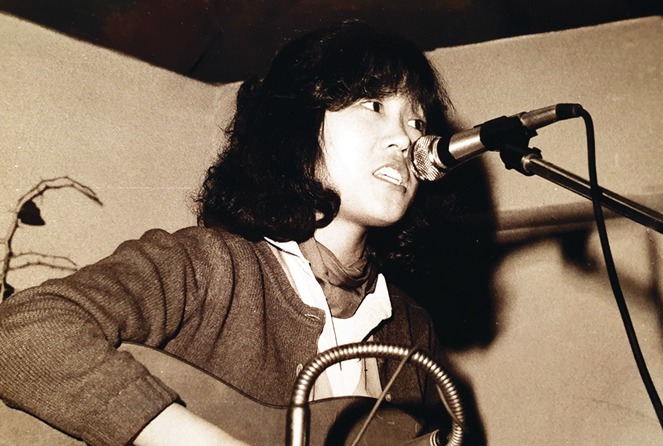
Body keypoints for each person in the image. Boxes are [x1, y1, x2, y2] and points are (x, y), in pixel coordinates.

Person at [0, 20, 482, 445]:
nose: (406, 139)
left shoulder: (413, 328)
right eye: (373, 105)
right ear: (296, 126)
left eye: (416, 120)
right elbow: (20, 331)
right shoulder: (207, 265)